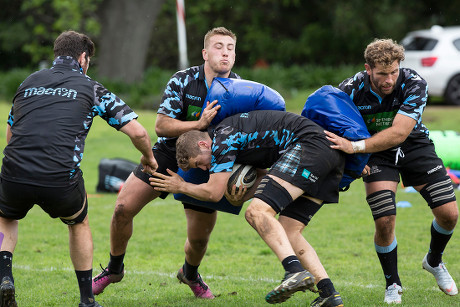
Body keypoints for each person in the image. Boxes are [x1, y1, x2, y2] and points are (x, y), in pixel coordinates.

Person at [0, 30, 158, 307]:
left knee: (5, 217)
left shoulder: (29, 82)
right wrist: (149, 158)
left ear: (57, 54)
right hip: (60, 178)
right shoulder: (91, 87)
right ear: (83, 58)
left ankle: (5, 277)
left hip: (14, 172)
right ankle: (87, 299)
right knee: (78, 223)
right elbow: (139, 133)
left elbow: (11, 131)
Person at [92, 27, 239, 299]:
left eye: (230, 47)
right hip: (170, 154)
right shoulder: (183, 80)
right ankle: (114, 269)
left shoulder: (241, 88)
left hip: (210, 161)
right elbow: (161, 126)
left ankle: (190, 274)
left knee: (198, 239)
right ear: (205, 53)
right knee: (122, 208)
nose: (225, 52)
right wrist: (199, 123)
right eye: (219, 46)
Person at [150, 110, 346, 306]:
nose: (204, 169)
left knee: (256, 213)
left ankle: (293, 271)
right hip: (328, 156)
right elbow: (267, 177)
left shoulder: (222, 137)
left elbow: (214, 193)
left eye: (199, 163)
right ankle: (328, 293)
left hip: (307, 147)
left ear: (203, 144)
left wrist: (181, 186)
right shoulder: (236, 142)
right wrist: (239, 196)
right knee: (288, 231)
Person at [327, 38, 458, 304]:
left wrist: (355, 148)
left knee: (449, 215)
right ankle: (393, 283)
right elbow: (330, 123)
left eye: (393, 72)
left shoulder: (414, 83)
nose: (389, 80)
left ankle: (434, 260)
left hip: (414, 145)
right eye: (382, 74)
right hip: (376, 154)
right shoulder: (350, 89)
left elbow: (399, 132)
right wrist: (352, 159)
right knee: (384, 220)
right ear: (368, 69)